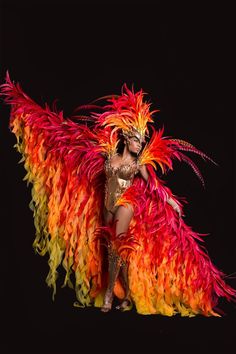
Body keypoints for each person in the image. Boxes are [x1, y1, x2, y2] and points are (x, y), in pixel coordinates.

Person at [0, 72, 235, 317]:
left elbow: (154, 185)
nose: (139, 144)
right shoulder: (109, 154)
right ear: (125, 137)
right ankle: (128, 293)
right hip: (107, 205)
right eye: (136, 139)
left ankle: (110, 295)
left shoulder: (139, 165)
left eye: (143, 140)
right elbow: (75, 142)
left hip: (126, 203)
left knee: (115, 246)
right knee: (111, 250)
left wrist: (171, 200)